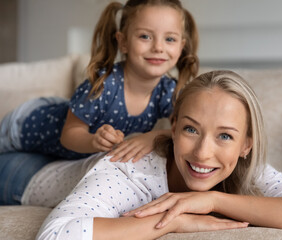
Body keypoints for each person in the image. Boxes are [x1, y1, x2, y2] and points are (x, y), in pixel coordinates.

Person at [35, 70, 282, 239]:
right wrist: (172, 222)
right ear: (172, 128)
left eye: (225, 135)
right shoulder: (133, 169)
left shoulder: (244, 167)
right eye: (191, 130)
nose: (203, 153)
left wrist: (213, 201)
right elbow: (57, 235)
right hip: (26, 174)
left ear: (246, 146)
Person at [0, 0, 199, 205]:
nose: (158, 47)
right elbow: (69, 135)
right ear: (123, 42)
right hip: (26, 125)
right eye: (145, 36)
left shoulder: (168, 92)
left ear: (181, 46)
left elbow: (186, 130)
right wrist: (93, 141)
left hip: (56, 154)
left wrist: (153, 136)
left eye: (170, 39)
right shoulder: (104, 85)